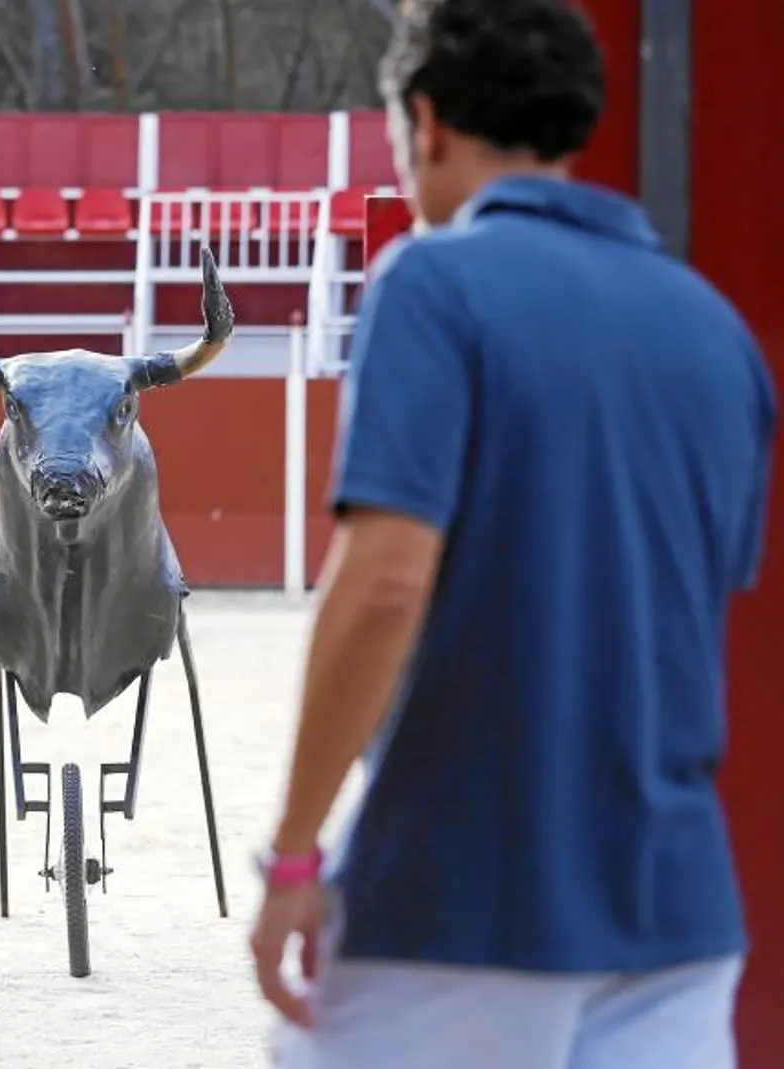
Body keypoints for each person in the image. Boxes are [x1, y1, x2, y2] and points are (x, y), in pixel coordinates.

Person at [247, 1, 777, 1067]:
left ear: (426, 122)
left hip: (463, 897)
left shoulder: (433, 282)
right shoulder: (715, 328)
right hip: (676, 913)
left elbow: (386, 585)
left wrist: (295, 859)